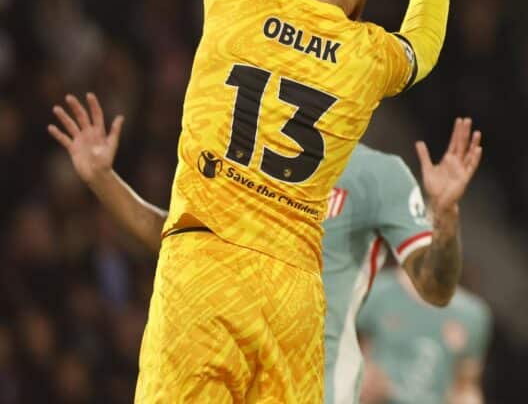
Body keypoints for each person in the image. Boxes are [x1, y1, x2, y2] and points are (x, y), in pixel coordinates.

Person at [61, 0, 470, 399]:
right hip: (290, 290)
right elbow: (422, 46)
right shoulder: (366, 57)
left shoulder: (235, 5)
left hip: (203, 267)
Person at [48, 93, 482, 404]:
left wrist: (443, 217)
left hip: (314, 381)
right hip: (228, 369)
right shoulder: (246, 152)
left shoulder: (378, 176)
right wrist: (102, 179)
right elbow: (177, 237)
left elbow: (435, 287)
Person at [358, 268, 491, 404]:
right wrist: (364, 380)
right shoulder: (378, 289)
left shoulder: (471, 314)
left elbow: (465, 387)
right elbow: (346, 356)